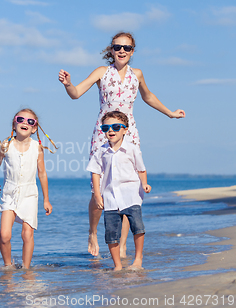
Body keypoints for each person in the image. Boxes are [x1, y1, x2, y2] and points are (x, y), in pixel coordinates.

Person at [58, 32, 185, 257]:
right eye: (118, 47)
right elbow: (76, 93)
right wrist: (68, 84)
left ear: (133, 51)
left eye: (127, 48)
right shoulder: (101, 72)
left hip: (130, 135)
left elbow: (148, 97)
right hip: (103, 134)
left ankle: (124, 244)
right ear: (111, 50)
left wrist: (170, 114)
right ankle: (92, 232)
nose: (122, 51)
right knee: (98, 189)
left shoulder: (137, 74)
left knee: (129, 190)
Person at [0, 108, 57, 269]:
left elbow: (42, 174)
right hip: (9, 194)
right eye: (20, 119)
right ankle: (8, 267)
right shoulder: (6, 145)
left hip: (29, 195)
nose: (25, 123)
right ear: (14, 124)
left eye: (30, 121)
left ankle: (26, 269)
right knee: (4, 235)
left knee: (27, 234)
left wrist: (46, 199)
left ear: (34, 128)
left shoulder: (37, 148)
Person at [86, 111, 151, 271]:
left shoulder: (132, 149)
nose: (110, 130)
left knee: (138, 227)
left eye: (115, 126)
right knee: (110, 233)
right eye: (106, 127)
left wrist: (144, 184)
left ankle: (138, 259)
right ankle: (118, 265)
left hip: (131, 195)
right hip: (109, 198)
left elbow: (141, 169)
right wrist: (97, 195)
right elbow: (95, 172)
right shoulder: (100, 151)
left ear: (125, 129)